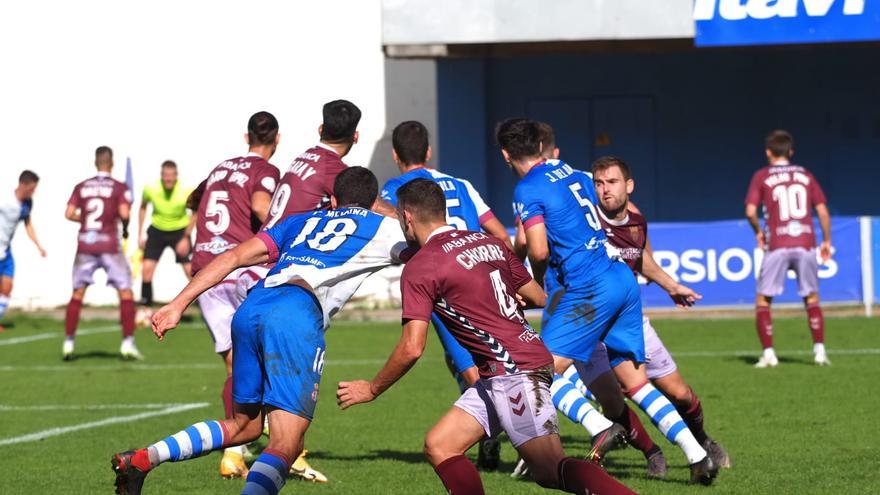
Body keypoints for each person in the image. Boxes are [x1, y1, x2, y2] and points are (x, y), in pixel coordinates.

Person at [111, 166, 409, 495]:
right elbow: (429, 244)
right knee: (286, 443)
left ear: (334, 200)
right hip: (294, 316)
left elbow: (234, 256)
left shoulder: (300, 221)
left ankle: (144, 459)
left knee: (244, 426)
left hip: (251, 310)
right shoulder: (384, 227)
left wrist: (177, 304)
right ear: (373, 202)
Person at [336, 178, 636, 495]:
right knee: (440, 445)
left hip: (513, 372)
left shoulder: (422, 267)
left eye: (400, 217)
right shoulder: (488, 242)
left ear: (407, 218)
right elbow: (537, 296)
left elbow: (412, 347)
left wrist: (372, 388)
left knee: (550, 469)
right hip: (508, 368)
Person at [497, 118, 717, 485]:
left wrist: (533, 285)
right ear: (539, 146)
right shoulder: (576, 173)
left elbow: (537, 248)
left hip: (587, 289)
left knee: (535, 370)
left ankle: (599, 426)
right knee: (636, 383)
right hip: (620, 279)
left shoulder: (528, 188)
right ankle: (698, 456)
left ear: (506, 155)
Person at [379, 120, 513, 469]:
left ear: (394, 155)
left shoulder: (396, 190)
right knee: (479, 361)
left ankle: (525, 440)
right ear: (428, 151)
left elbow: (381, 221)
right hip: (483, 275)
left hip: (444, 285)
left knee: (477, 372)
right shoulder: (461, 184)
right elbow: (501, 234)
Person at [591, 155, 731, 470]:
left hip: (630, 321)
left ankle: (703, 441)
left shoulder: (637, 221)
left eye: (612, 182)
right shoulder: (587, 221)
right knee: (622, 394)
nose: (605, 190)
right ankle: (653, 454)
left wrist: (671, 285)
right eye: (598, 183)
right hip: (593, 325)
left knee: (679, 393)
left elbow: (642, 259)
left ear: (629, 185)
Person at [186, 111, 280, 478]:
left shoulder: (220, 168)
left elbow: (195, 200)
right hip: (241, 267)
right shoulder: (265, 170)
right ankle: (281, 439)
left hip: (207, 269)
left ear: (246, 136)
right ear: (277, 139)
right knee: (271, 355)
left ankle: (233, 452)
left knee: (233, 365)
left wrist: (196, 236)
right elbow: (260, 206)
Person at [745, 130, 832, 368]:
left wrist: (759, 232)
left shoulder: (762, 176)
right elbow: (822, 211)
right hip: (805, 243)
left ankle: (769, 354)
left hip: (777, 245)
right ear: (791, 151)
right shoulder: (805, 174)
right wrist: (826, 241)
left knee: (764, 300)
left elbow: (750, 211)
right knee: (811, 297)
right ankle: (820, 351)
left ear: (768, 152)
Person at [63, 146, 140, 360]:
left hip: (86, 244)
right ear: (111, 163)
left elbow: (68, 213)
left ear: (95, 162)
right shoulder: (118, 187)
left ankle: (68, 342)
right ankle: (127, 343)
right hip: (109, 245)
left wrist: (86, 221)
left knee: (78, 293)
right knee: (125, 292)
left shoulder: (82, 186)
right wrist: (124, 225)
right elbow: (124, 213)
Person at [263, 99, 362, 228]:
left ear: (320, 129)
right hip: (285, 239)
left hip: (266, 235)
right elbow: (371, 206)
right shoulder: (332, 167)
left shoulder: (304, 157)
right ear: (355, 137)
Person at [137, 160, 194, 306]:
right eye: (165, 175)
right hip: (157, 230)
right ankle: (145, 307)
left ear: (176, 176)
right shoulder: (151, 188)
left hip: (180, 232)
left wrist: (186, 237)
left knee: (190, 270)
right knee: (147, 269)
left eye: (171, 175)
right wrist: (140, 234)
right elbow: (142, 207)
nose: (168, 179)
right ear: (161, 175)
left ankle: (204, 305)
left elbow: (196, 212)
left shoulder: (186, 191)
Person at [0, 170, 47, 332]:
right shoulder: (4, 199)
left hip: (6, 251)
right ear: (22, 184)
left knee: (7, 288)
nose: (33, 192)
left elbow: (28, 224)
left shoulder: (27, 204)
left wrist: (38, 245)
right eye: (32, 189)